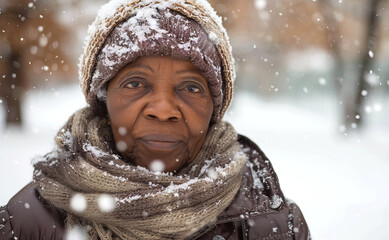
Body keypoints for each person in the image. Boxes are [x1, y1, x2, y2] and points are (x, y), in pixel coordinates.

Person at [0, 0, 311, 239]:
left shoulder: (274, 227)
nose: (163, 110)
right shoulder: (29, 224)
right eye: (135, 83)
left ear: (214, 109)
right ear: (102, 101)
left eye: (191, 87)